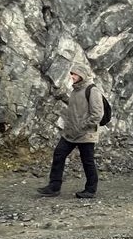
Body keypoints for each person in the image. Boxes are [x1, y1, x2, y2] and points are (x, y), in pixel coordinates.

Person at [37, 63, 104, 199]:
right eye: (71, 74)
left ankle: (90, 189)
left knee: (88, 161)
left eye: (74, 74)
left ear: (81, 75)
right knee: (59, 154)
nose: (71, 76)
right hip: (70, 133)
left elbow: (97, 114)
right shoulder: (75, 90)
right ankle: (54, 187)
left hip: (85, 134)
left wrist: (83, 126)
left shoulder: (92, 90)